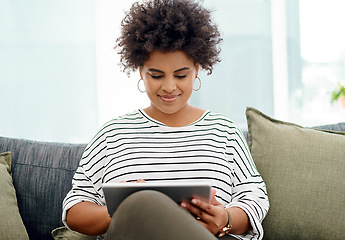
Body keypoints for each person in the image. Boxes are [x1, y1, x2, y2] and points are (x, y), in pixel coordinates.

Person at [62, 0, 269, 239]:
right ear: (140, 70)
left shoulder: (224, 132)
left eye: (181, 75)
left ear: (197, 69)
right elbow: (74, 211)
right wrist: (124, 209)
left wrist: (226, 219)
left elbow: (255, 197)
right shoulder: (113, 134)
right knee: (141, 204)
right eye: (156, 75)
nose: (169, 87)